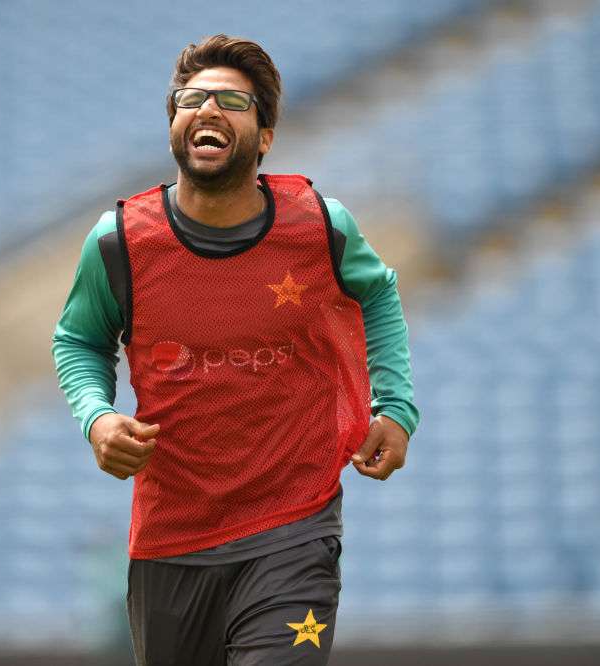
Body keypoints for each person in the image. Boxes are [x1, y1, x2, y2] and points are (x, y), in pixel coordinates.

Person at [52, 34, 419, 666]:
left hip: (294, 528)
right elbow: (80, 340)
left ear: (265, 136)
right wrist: (97, 417)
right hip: (171, 543)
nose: (207, 109)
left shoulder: (320, 226)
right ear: (174, 125)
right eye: (191, 99)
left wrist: (396, 406)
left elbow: (379, 292)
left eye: (232, 101)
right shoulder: (119, 243)